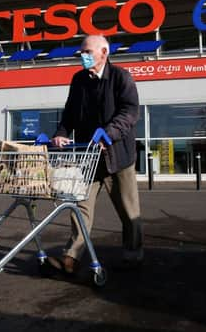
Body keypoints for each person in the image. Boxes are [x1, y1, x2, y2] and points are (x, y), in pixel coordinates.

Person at [48, 34, 143, 274]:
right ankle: (71, 257)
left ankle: (133, 254)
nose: (83, 56)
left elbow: (129, 112)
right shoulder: (78, 80)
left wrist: (108, 134)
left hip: (118, 159)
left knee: (128, 211)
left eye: (88, 52)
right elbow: (69, 114)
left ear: (104, 53)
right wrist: (60, 133)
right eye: (82, 52)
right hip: (88, 159)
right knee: (80, 208)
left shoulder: (121, 77)